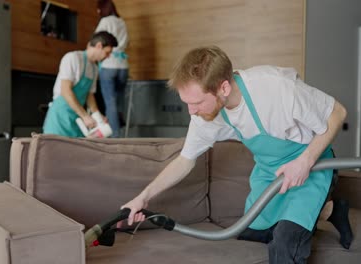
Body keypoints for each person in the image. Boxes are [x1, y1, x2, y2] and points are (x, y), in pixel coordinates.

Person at [118, 46, 353, 263]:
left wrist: (305, 161)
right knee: (250, 232)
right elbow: (184, 161)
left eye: (197, 102)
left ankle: (311, 208)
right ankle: (330, 211)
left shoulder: (275, 88)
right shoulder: (205, 116)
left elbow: (338, 113)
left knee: (284, 244)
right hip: (270, 172)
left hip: (310, 166)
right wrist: (143, 197)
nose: (192, 112)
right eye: (187, 103)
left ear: (224, 88)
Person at [43, 31, 118, 137]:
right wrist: (85, 116)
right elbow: (65, 90)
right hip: (60, 117)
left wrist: (98, 116)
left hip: (76, 119)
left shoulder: (94, 68)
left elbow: (89, 95)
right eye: (107, 52)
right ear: (99, 46)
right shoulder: (72, 58)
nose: (108, 56)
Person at [95, 0, 129, 137]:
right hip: (124, 65)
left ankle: (115, 137)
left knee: (110, 103)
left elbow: (98, 39)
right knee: (118, 102)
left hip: (109, 65)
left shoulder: (105, 21)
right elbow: (127, 41)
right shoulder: (122, 22)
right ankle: (119, 134)